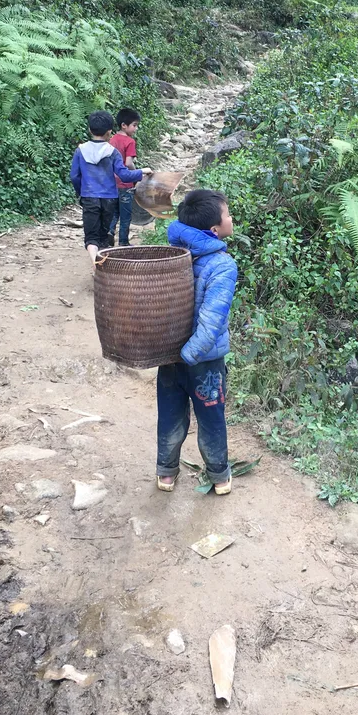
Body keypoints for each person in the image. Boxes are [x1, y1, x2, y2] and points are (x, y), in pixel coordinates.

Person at [155, 189, 237, 496]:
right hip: (204, 361)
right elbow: (211, 320)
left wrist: (174, 353)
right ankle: (219, 477)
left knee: (170, 416)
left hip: (169, 355)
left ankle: (165, 473)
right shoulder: (222, 265)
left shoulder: (172, 254)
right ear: (215, 228)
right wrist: (190, 355)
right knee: (211, 418)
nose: (231, 218)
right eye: (227, 214)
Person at [69, 110, 151, 265]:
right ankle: (101, 263)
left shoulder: (80, 151)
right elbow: (124, 175)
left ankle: (95, 263)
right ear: (109, 132)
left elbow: (74, 176)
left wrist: (81, 193)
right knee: (103, 236)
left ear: (89, 130)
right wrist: (142, 172)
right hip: (109, 199)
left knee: (91, 237)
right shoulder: (112, 152)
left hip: (89, 197)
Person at [108, 107, 141, 247]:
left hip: (111, 183)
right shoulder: (130, 142)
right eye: (134, 125)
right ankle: (123, 242)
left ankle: (109, 234)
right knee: (126, 215)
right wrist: (137, 174)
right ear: (124, 125)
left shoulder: (112, 139)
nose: (136, 129)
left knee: (114, 212)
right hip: (125, 183)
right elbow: (128, 163)